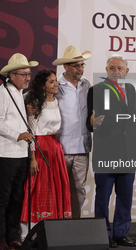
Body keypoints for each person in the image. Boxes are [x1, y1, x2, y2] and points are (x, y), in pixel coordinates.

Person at [87, 54, 136, 248]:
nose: (116, 71)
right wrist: (93, 123)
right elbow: (90, 120)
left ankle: (121, 233)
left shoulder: (135, 91)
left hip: (129, 153)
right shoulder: (97, 90)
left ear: (126, 71)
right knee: (103, 197)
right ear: (107, 70)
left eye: (120, 68)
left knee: (125, 197)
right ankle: (103, 234)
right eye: (112, 68)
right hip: (107, 152)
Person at [0, 53, 38, 250]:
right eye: (23, 74)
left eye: (29, 73)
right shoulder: (1, 93)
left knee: (17, 197)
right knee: (3, 198)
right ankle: (0, 238)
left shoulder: (19, 93)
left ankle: (13, 236)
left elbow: (21, 122)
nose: (27, 77)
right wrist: (18, 135)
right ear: (11, 75)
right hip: (5, 154)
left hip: (21, 154)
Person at [20, 70, 72, 238]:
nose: (55, 84)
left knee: (55, 189)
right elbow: (31, 131)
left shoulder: (57, 102)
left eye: (56, 81)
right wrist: (33, 158)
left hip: (55, 151)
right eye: (51, 82)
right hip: (40, 150)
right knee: (38, 189)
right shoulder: (35, 103)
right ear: (43, 85)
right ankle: (30, 232)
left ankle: (54, 231)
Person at [51, 45, 92, 218]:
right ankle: (56, 225)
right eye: (76, 66)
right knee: (57, 189)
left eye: (82, 65)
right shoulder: (55, 85)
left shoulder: (86, 85)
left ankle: (74, 224)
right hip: (60, 147)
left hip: (82, 148)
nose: (80, 69)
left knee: (79, 190)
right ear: (65, 67)